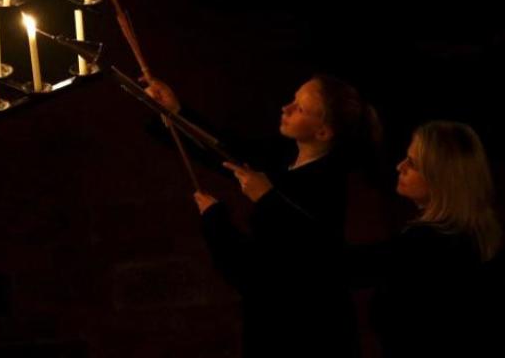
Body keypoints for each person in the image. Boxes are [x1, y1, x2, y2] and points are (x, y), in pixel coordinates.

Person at [147, 74, 381, 357]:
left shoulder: (326, 185)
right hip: (275, 323)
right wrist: (176, 111)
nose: (286, 108)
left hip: (303, 332)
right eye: (293, 99)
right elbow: (226, 152)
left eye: (300, 109)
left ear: (323, 132)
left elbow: (274, 265)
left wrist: (215, 218)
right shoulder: (284, 154)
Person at [348, 121, 503, 357]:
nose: (400, 166)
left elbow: (350, 267)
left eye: (413, 164)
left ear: (442, 179)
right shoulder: (471, 232)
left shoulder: (428, 242)